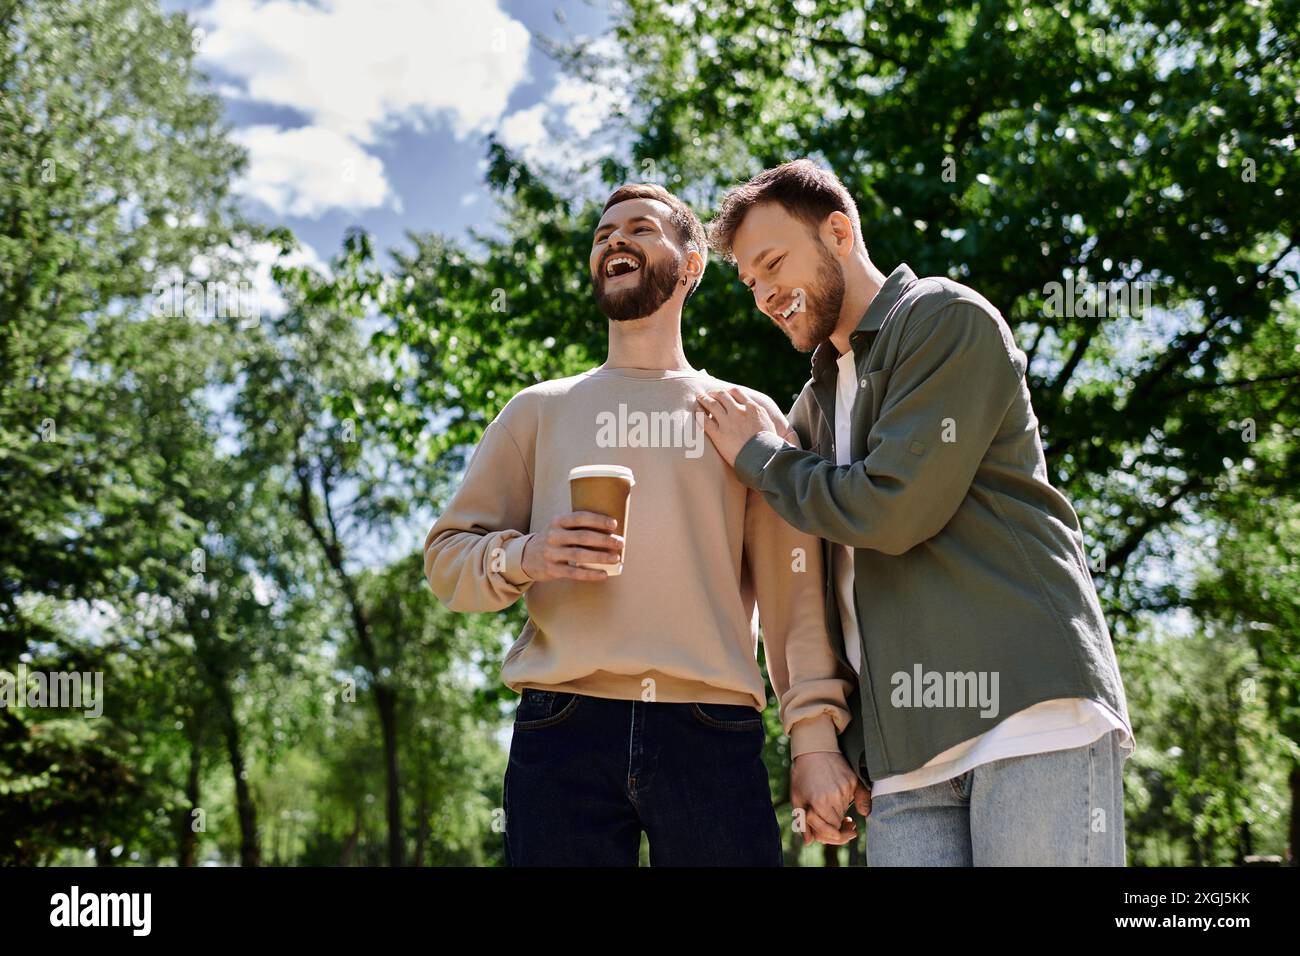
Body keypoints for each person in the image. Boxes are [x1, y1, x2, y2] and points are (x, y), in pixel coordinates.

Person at [698, 159, 1136, 866]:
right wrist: (834, 751)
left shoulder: (942, 318)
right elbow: (824, 591)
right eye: (751, 281)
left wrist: (757, 457)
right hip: (902, 768)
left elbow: (892, 509)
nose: (765, 293)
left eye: (774, 262)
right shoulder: (809, 408)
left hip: (1028, 718)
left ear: (839, 232)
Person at [423, 182, 862, 866]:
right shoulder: (536, 412)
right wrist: (526, 556)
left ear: (691, 265)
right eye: (602, 236)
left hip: (711, 730)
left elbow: (794, 603)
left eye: (640, 229)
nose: (614, 240)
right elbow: (448, 561)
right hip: (561, 726)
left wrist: (812, 744)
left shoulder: (746, 417)